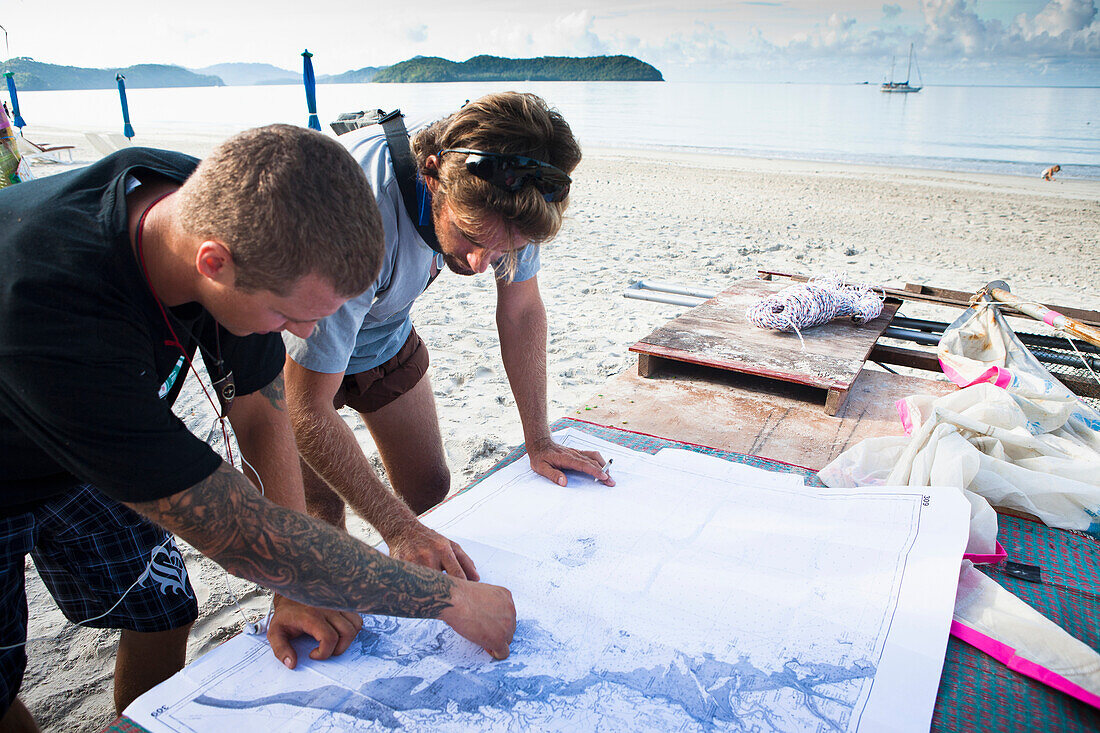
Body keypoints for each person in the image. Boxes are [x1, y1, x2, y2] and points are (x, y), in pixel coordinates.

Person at [0, 125, 515, 732]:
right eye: (287, 316)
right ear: (213, 264)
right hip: (29, 426)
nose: (300, 336)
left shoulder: (213, 203)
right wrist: (448, 601)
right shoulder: (57, 316)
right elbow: (241, 536)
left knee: (162, 609)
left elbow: (261, 412)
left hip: (94, 442)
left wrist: (294, 587)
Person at [282, 92, 613, 584]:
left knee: (430, 489)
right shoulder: (355, 216)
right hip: (285, 333)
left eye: (507, 247)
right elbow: (306, 406)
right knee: (321, 515)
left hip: (382, 327)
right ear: (431, 174)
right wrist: (397, 530)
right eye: (471, 237)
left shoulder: (513, 196)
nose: (482, 264)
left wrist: (538, 440)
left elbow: (521, 312)